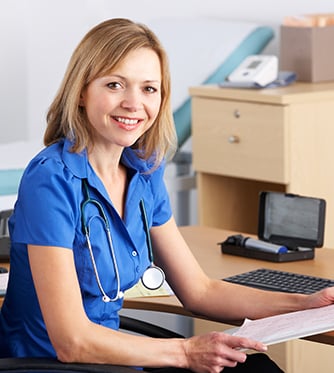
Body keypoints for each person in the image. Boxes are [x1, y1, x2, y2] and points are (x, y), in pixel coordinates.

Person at [0, 18, 333, 373]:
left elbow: (200, 292)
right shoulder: (51, 179)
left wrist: (306, 303)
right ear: (81, 92)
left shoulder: (144, 171)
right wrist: (186, 352)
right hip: (50, 365)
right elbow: (72, 341)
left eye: (149, 89)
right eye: (115, 85)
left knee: (255, 369)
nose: (133, 103)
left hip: (113, 358)